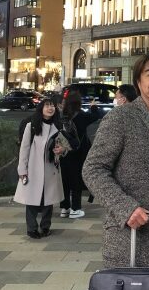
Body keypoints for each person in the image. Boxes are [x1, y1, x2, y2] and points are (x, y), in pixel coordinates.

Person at [82, 51, 149, 268]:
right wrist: (125, 207)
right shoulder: (121, 117)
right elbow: (93, 169)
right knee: (125, 289)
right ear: (139, 81)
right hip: (127, 231)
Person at [13, 97, 65, 238]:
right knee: (31, 200)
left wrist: (62, 150)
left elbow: (64, 146)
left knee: (48, 200)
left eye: (52, 106)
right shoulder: (32, 126)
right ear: (41, 108)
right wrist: (22, 170)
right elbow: (24, 149)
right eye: (47, 105)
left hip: (50, 169)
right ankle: (32, 229)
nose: (50, 108)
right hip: (33, 169)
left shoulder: (59, 126)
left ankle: (45, 227)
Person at [59, 91, 100, 219]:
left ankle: (65, 208)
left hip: (63, 151)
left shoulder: (62, 116)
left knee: (64, 180)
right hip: (78, 151)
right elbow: (96, 116)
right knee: (76, 180)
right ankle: (75, 209)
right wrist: (93, 106)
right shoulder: (81, 115)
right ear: (78, 102)